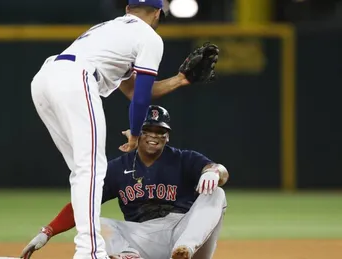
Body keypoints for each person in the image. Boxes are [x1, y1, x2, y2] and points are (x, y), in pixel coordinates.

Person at [26, 0, 219, 257]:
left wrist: (181, 80)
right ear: (158, 12)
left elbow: (135, 91)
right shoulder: (148, 36)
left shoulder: (109, 29)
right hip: (77, 79)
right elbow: (140, 98)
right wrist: (135, 134)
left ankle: (87, 249)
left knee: (83, 172)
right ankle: (90, 252)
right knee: (92, 169)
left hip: (44, 79)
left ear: (128, 9)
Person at [21, 105, 229, 259]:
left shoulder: (184, 158)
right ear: (135, 134)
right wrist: (47, 231)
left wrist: (214, 171)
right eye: (147, 130)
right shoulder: (117, 168)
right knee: (95, 222)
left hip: (186, 229)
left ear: (167, 137)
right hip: (144, 237)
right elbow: (83, 205)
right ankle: (128, 256)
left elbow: (220, 171)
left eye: (160, 132)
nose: (153, 136)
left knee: (217, 193)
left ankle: (184, 250)